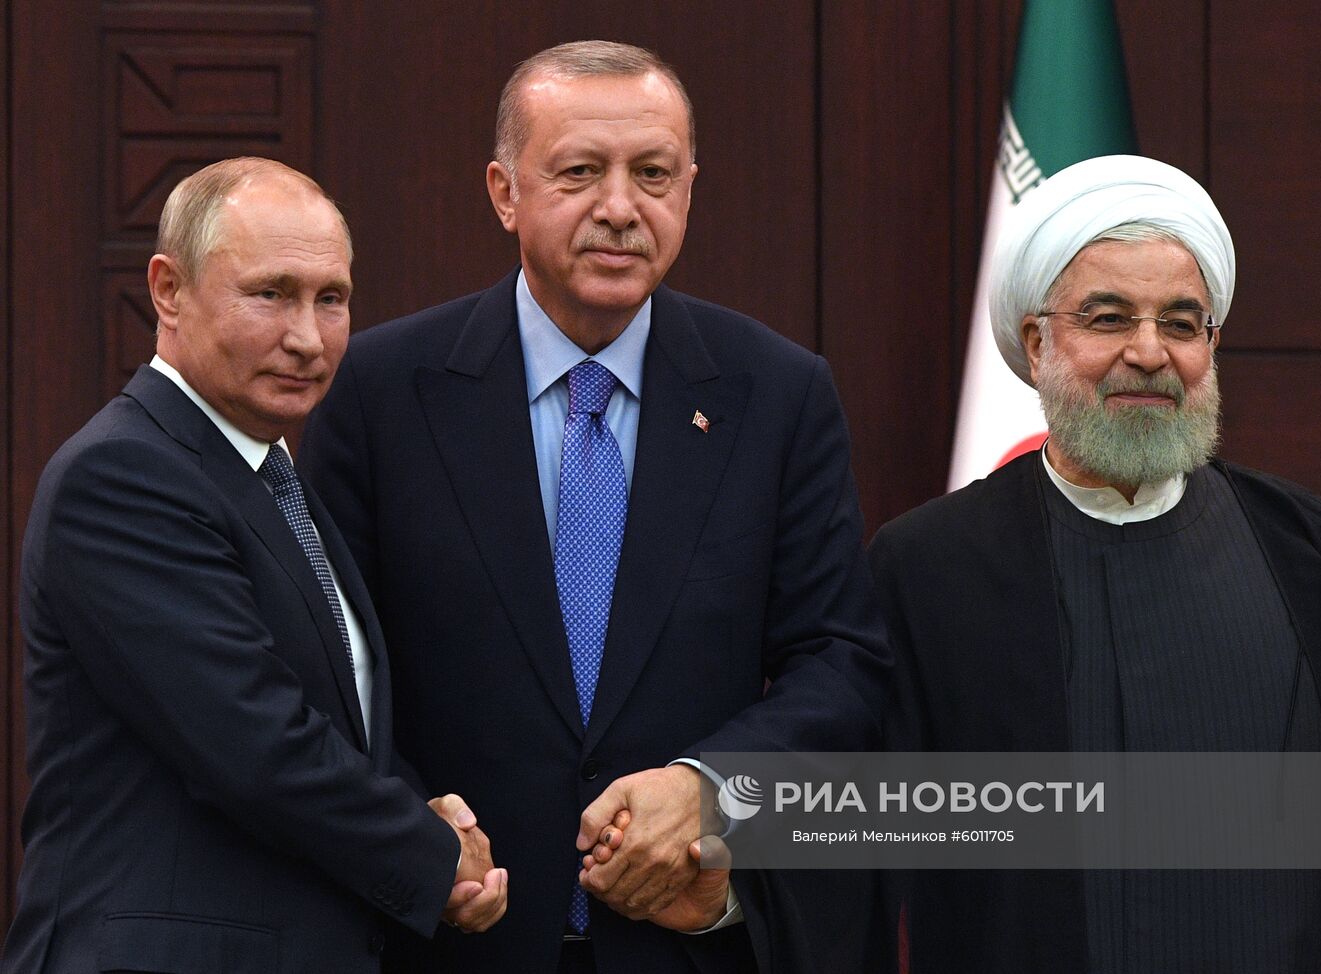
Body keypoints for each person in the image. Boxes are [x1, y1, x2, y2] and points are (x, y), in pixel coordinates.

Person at [298, 40, 891, 973]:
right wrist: (412, 829)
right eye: (579, 172)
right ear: (505, 193)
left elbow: (841, 662)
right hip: (452, 943)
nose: (620, 207)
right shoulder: (379, 392)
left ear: (689, 190)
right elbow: (329, 670)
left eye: (653, 174)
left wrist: (711, 790)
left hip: (682, 942)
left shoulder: (778, 394)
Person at [870, 154, 1321, 972]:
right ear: (1038, 343)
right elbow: (859, 844)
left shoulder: (1314, 553)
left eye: (1182, 324)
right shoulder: (928, 567)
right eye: (1109, 318)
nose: (1149, 353)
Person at [1, 158, 508, 974]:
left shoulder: (269, 476)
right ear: (168, 290)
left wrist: (425, 812)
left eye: (331, 298)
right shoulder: (123, 476)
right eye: (270, 294)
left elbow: (336, 727)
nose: (307, 338)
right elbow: (255, 744)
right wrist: (433, 854)